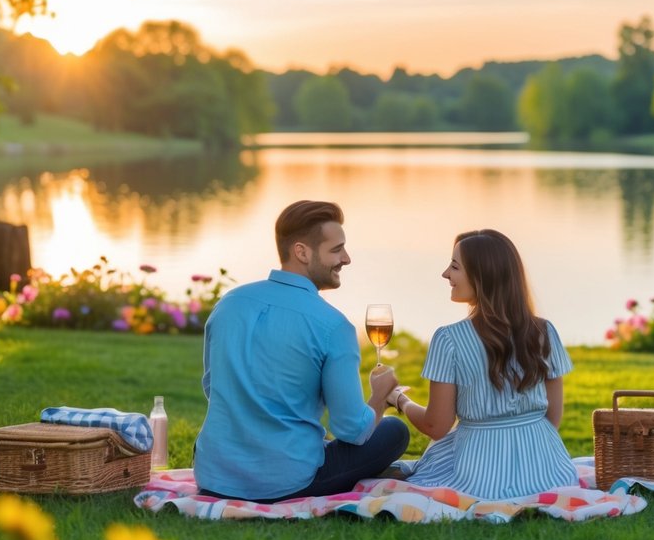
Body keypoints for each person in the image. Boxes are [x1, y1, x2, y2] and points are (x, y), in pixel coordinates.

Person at [194, 200, 409, 501]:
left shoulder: (229, 303)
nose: (346, 259)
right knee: (394, 432)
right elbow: (351, 430)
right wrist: (379, 397)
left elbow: (212, 386)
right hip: (286, 484)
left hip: (215, 476)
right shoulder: (334, 327)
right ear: (302, 252)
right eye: (336, 250)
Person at [385, 229, 578, 499]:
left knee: (420, 476)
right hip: (549, 470)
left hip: (478, 474)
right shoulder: (544, 331)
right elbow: (553, 417)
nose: (445, 275)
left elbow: (436, 427)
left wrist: (399, 400)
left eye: (454, 267)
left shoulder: (448, 338)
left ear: (482, 277)